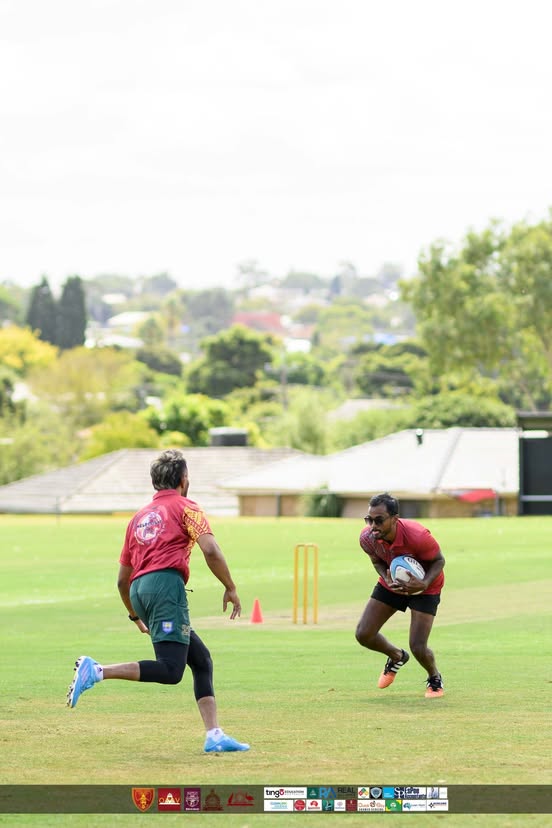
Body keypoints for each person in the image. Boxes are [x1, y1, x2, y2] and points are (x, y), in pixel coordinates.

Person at [66, 449, 250, 753]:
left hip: (140, 590)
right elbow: (211, 550)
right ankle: (96, 671)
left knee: (201, 660)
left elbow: (122, 580)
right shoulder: (187, 507)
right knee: (171, 671)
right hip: (166, 587)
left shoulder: (138, 518)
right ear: (182, 479)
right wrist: (230, 586)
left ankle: (214, 735)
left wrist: (135, 615)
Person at [355, 492, 445, 698]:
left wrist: (422, 584)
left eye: (379, 520)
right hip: (392, 582)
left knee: (418, 646)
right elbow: (377, 561)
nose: (373, 525)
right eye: (369, 519)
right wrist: (385, 579)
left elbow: (439, 561)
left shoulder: (418, 535)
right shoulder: (367, 538)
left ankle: (434, 678)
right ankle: (396, 656)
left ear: (395, 519)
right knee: (363, 634)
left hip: (425, 586)